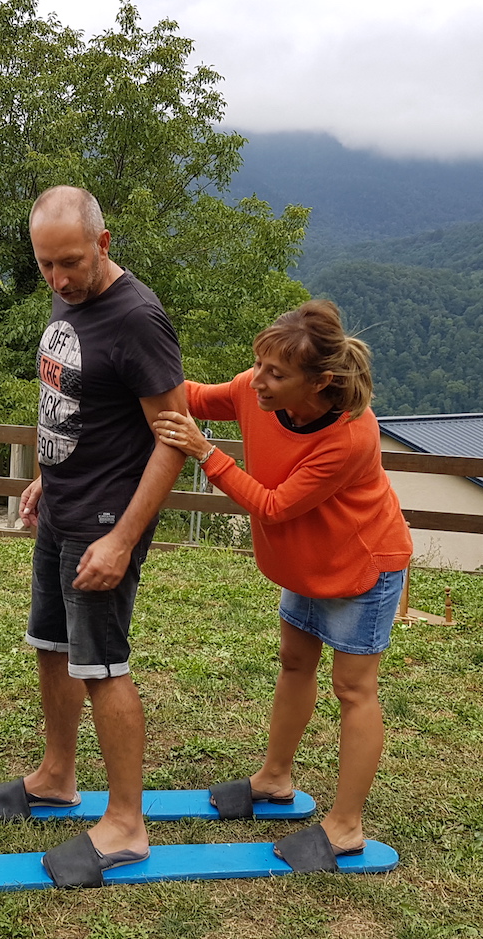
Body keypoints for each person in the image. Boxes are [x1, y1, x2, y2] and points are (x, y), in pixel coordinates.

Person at [0, 185, 186, 889]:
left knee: (102, 668)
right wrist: (44, 474)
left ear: (103, 243)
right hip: (63, 505)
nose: (59, 279)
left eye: (70, 262)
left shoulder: (139, 318)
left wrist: (124, 539)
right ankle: (58, 777)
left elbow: (175, 439)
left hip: (105, 523)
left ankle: (125, 823)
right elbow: (66, 397)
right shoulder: (70, 292)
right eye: (46, 266)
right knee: (53, 650)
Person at [152, 299, 412, 866]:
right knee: (295, 662)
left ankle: (345, 826)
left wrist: (205, 452)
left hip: (360, 566)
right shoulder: (256, 388)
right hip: (308, 563)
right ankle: (274, 778)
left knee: (354, 689)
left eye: (276, 373)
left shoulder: (349, 437)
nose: (259, 382)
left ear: (318, 382)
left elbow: (272, 506)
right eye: (259, 365)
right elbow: (196, 396)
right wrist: (138, 372)